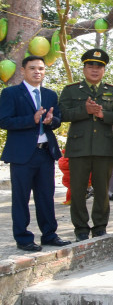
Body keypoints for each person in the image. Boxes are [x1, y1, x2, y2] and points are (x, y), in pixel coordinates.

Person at [0, 55, 69, 252]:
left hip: (45, 153)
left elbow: (57, 120)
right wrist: (32, 119)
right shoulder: (11, 93)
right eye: (32, 68)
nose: (37, 72)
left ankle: (49, 234)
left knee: (46, 196)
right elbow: (4, 121)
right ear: (23, 70)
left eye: (41, 68)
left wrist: (50, 121)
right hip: (22, 155)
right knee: (21, 198)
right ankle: (23, 238)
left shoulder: (50, 94)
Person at [59, 48, 113, 241]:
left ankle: (100, 226)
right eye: (90, 66)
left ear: (104, 70)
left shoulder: (112, 91)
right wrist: (84, 110)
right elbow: (61, 114)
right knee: (78, 189)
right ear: (84, 68)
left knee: (102, 190)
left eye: (99, 67)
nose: (94, 70)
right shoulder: (71, 90)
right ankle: (80, 228)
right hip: (79, 148)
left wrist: (104, 114)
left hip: (103, 148)